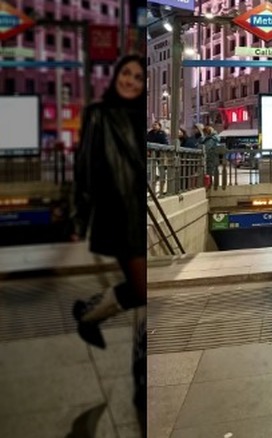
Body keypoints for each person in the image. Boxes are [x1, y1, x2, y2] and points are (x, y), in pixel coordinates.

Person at [70, 54, 147, 433]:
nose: (131, 81)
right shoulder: (99, 113)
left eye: (139, 77)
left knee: (141, 291)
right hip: (118, 215)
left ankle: (89, 312)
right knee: (143, 288)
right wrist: (79, 218)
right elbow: (84, 167)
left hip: (140, 210)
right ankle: (142, 373)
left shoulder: (141, 115)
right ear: (117, 76)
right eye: (127, 74)